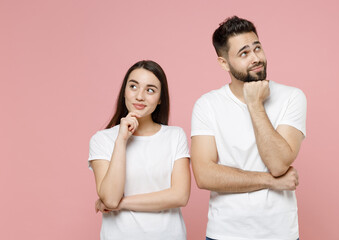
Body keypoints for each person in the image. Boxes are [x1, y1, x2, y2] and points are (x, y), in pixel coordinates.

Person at [191, 16, 306, 240]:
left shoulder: (292, 97)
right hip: (224, 233)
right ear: (224, 63)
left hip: (279, 233)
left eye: (257, 48)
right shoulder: (207, 105)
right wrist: (270, 182)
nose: (255, 58)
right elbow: (204, 175)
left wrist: (254, 104)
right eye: (244, 53)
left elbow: (278, 163)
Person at [88, 60, 191, 240]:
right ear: (124, 92)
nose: (140, 96)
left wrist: (122, 204)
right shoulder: (102, 140)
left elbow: (180, 196)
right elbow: (111, 199)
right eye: (133, 86)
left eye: (150, 90)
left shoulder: (175, 136)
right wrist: (121, 140)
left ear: (160, 99)